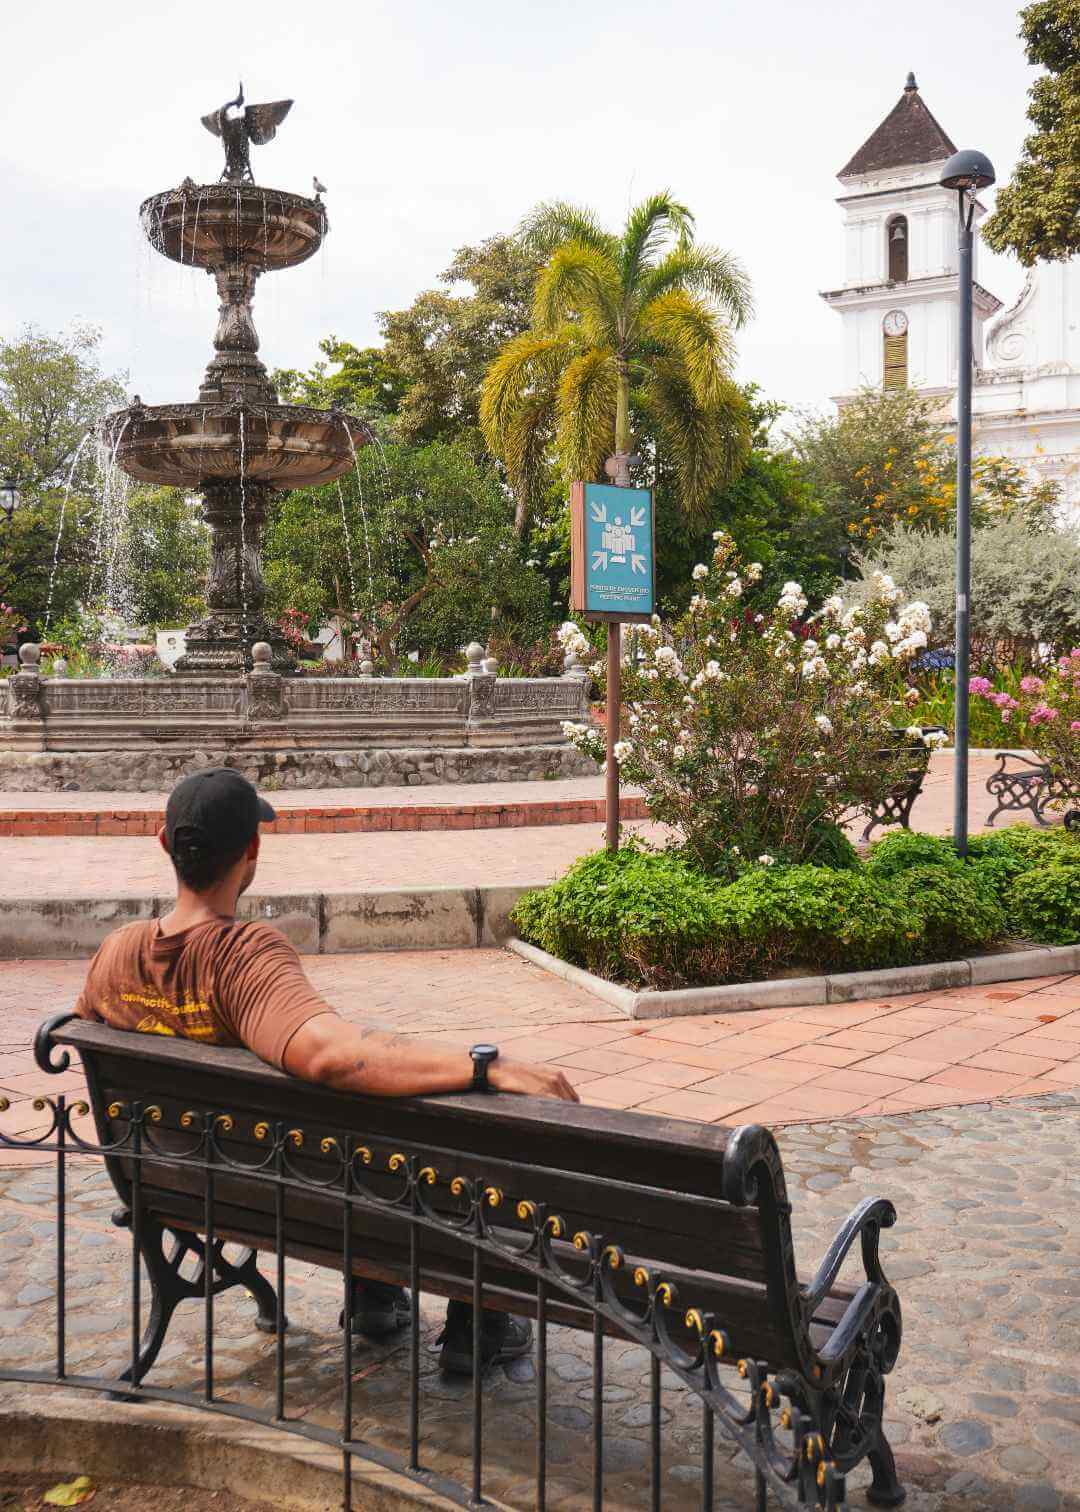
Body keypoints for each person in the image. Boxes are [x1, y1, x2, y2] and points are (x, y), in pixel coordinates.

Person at [75, 766, 578, 1373]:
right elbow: (330, 1055)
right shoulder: (241, 957)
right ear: (253, 849)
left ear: (164, 844)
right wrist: (485, 1066)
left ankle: (374, 1292)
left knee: (341, 1140)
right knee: (441, 1134)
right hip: (297, 1191)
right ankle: (480, 1315)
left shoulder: (116, 954)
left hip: (178, 1181)